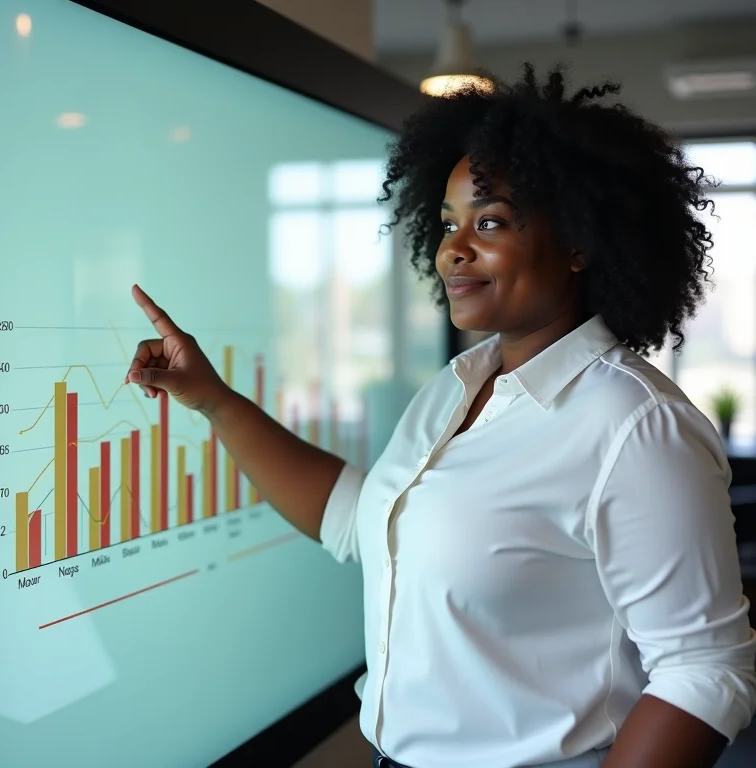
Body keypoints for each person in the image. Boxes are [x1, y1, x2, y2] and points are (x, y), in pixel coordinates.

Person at [125, 64, 756, 768]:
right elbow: (360, 520)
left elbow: (705, 672)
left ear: (579, 241)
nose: (454, 248)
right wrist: (213, 399)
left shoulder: (636, 425)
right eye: (449, 223)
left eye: (490, 222)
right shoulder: (456, 388)